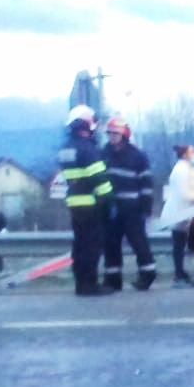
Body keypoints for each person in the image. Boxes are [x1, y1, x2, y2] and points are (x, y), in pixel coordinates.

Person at [57, 105, 113, 296]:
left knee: (80, 245)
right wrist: (109, 200)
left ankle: (81, 283)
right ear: (85, 124)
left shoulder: (66, 148)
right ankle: (90, 284)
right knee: (91, 246)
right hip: (90, 203)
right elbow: (99, 178)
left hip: (74, 203)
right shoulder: (87, 148)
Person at [100, 116, 157, 291]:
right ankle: (112, 280)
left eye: (115, 134)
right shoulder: (103, 154)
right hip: (111, 208)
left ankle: (147, 274)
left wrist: (146, 208)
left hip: (133, 209)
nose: (112, 137)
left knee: (139, 243)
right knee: (111, 244)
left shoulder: (137, 156)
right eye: (110, 134)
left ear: (124, 135)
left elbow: (146, 184)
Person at [161, 144, 194, 287]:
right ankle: (179, 274)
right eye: (192, 151)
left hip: (184, 211)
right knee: (178, 244)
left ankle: (180, 273)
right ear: (185, 155)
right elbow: (184, 193)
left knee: (180, 244)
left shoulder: (186, 168)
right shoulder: (181, 170)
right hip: (179, 212)